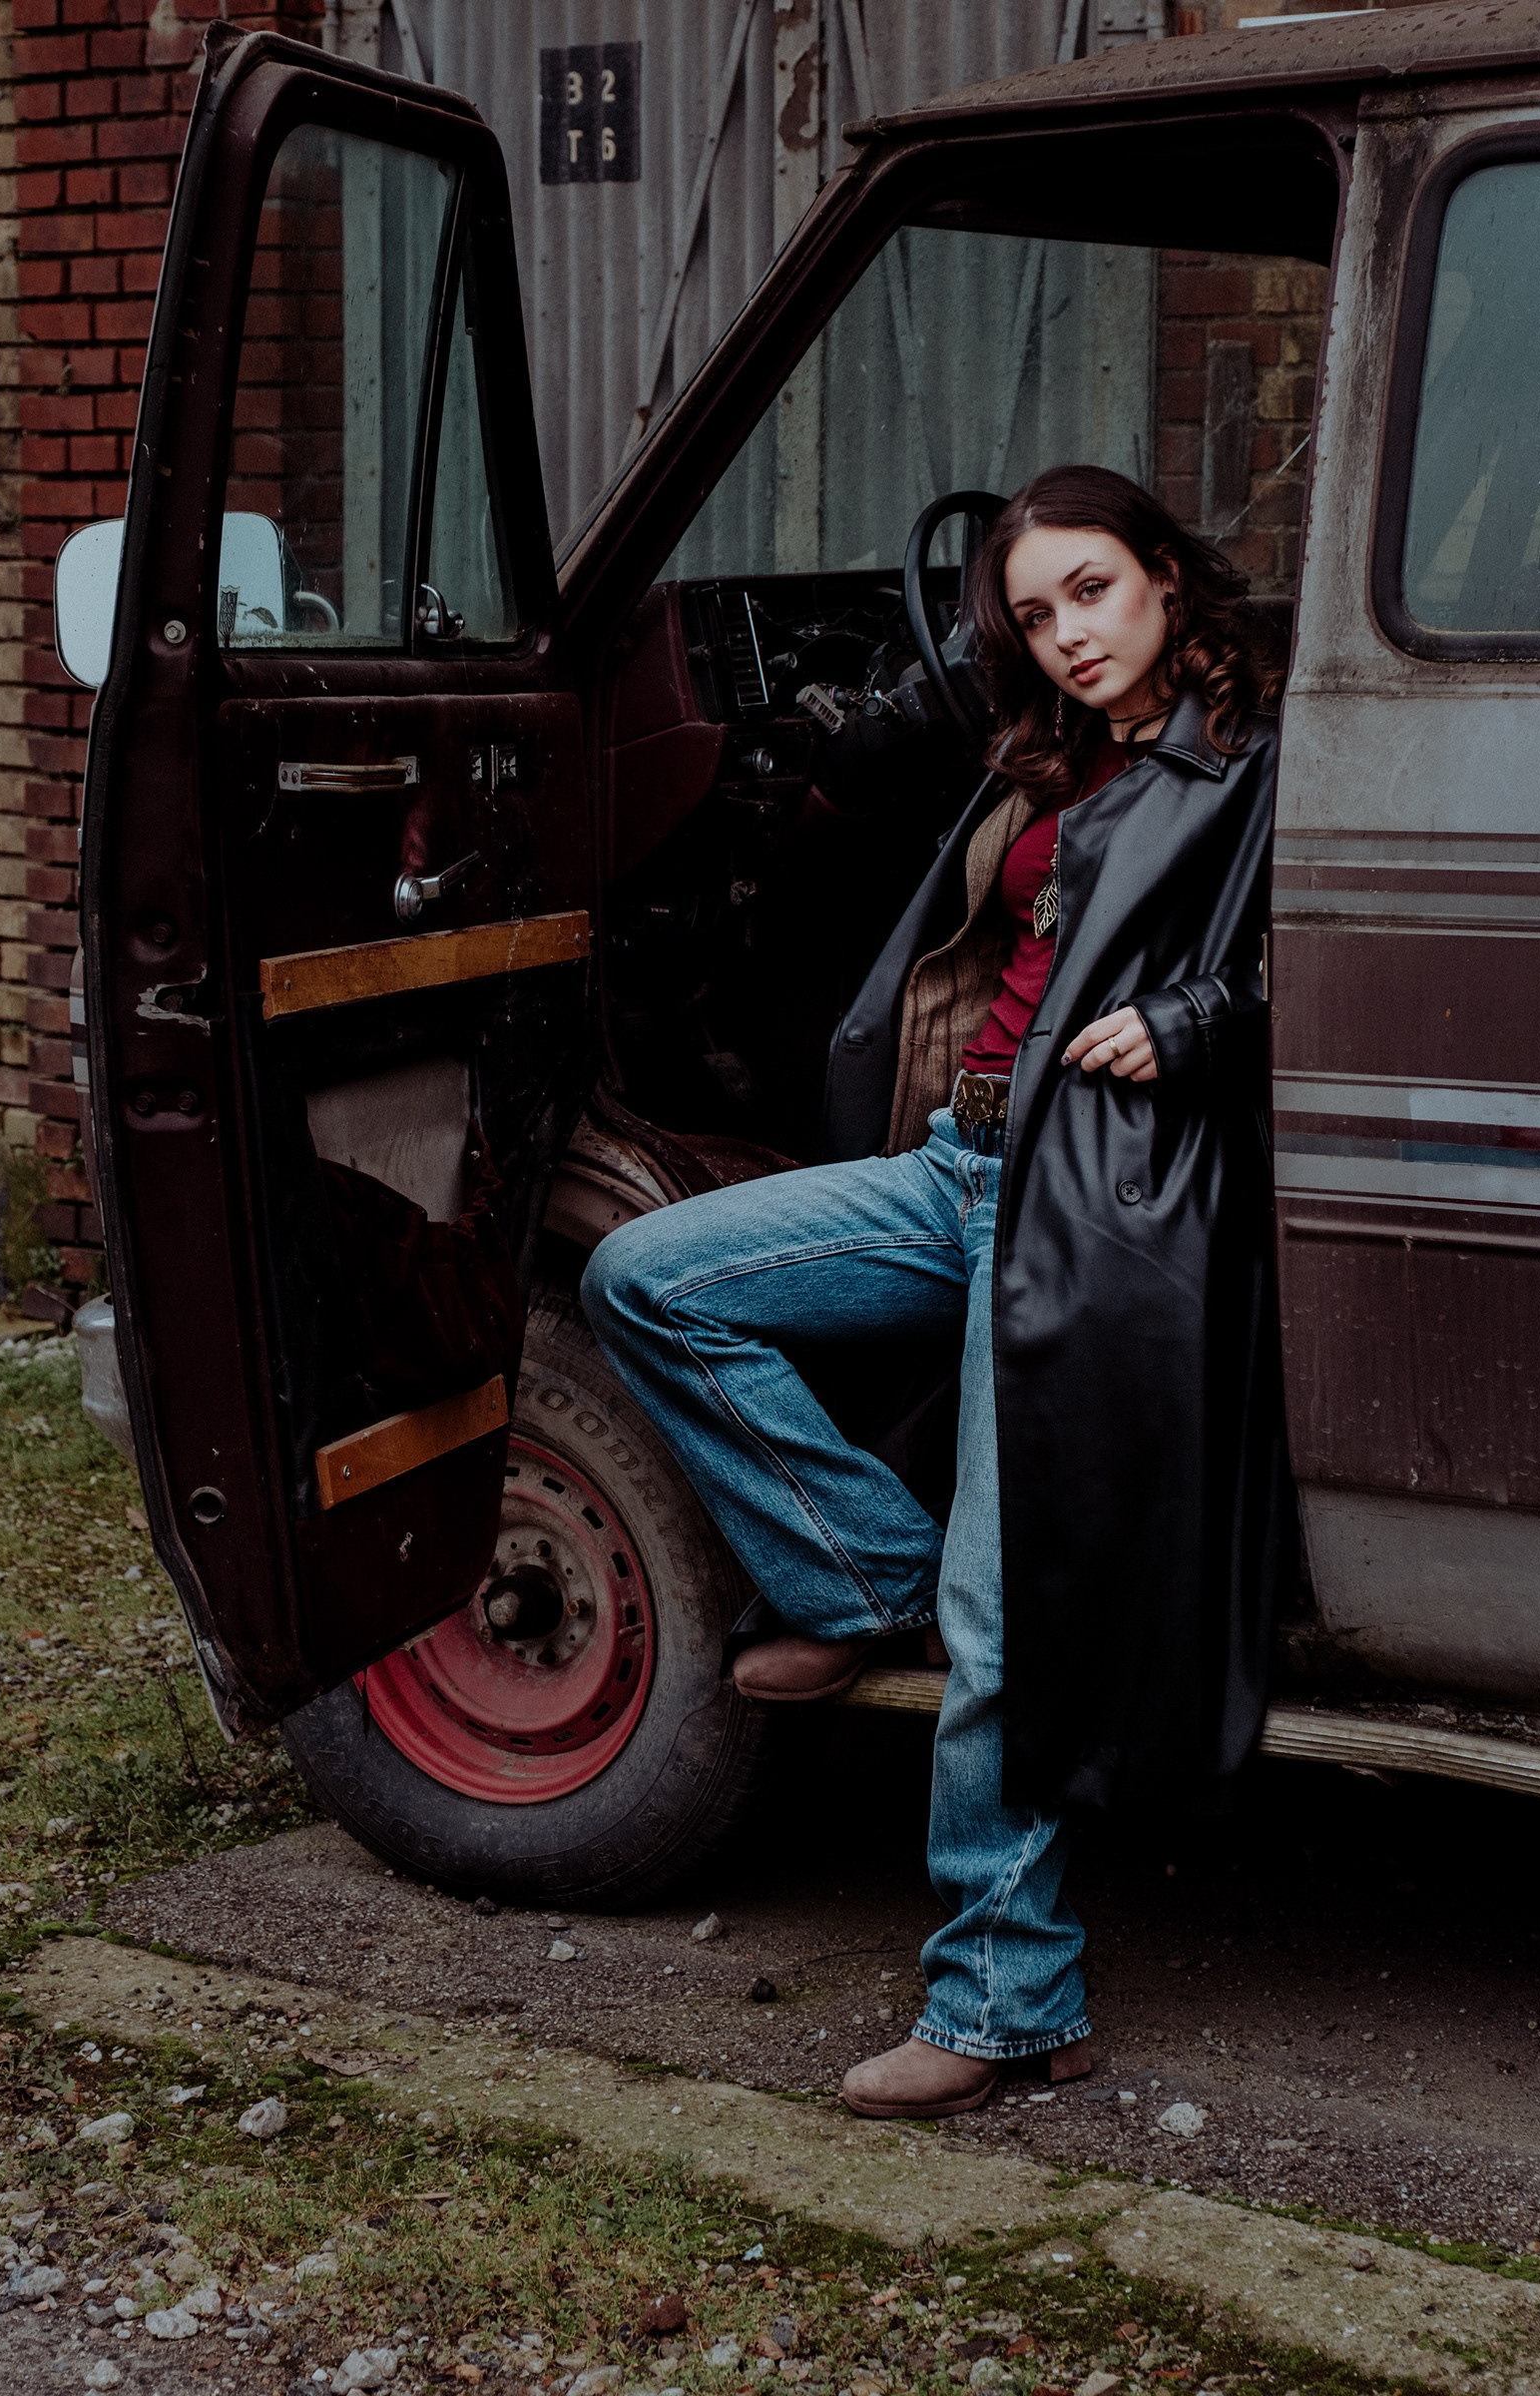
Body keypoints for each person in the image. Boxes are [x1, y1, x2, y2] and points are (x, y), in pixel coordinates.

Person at [583, 463, 1292, 2119]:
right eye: (1037, 616)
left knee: (1002, 1623)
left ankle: (1007, 1998)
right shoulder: (1061, 748)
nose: (1069, 637)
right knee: (649, 1279)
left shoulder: (1255, 754)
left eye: (1093, 592)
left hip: (1079, 1196)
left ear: (1167, 576)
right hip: (954, 1164)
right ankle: (861, 1577)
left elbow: (1340, 957)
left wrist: (1192, 1022)